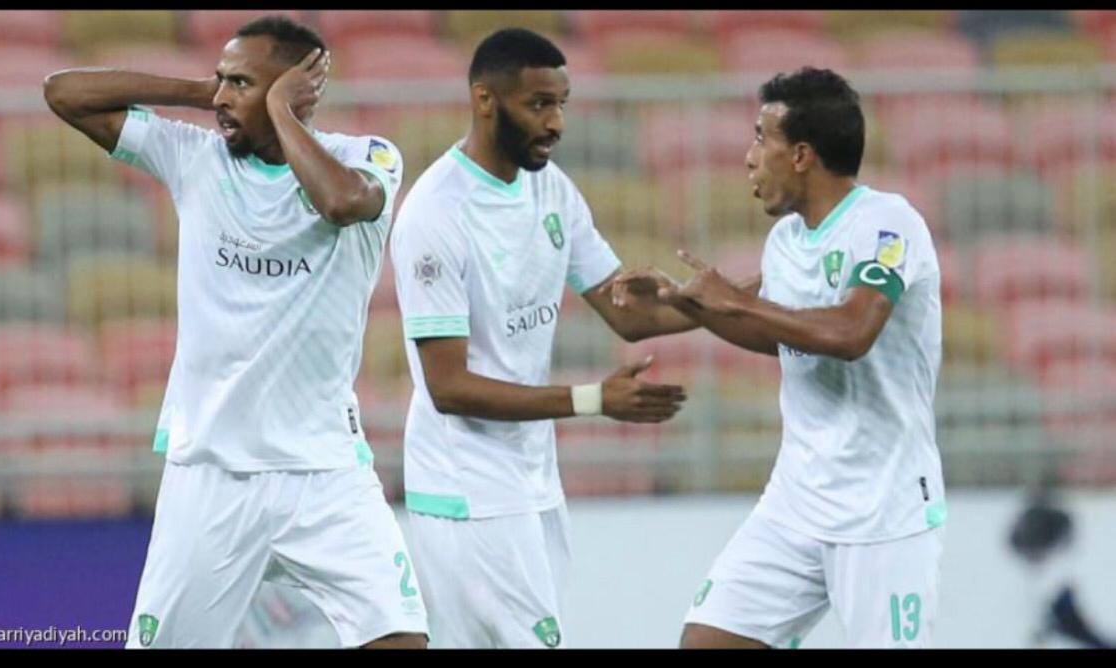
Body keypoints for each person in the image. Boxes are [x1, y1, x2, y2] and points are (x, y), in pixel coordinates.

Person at [44, 15, 427, 649]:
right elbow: (63, 93)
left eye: (243, 82)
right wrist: (207, 91)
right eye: (224, 80)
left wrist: (275, 110)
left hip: (325, 471)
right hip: (211, 471)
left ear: (300, 92)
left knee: (402, 640)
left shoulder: (369, 157)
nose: (225, 97)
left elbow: (340, 204)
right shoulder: (194, 158)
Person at [615, 67, 946, 649]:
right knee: (706, 642)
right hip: (797, 502)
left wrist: (730, 301)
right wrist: (682, 298)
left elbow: (850, 332)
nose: (748, 157)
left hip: (884, 511)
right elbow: (775, 332)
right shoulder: (788, 240)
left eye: (759, 138)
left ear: (800, 155)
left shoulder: (888, 225)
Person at [389, 28, 695, 649]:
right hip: (466, 494)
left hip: (531, 481)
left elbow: (628, 313)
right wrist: (592, 401)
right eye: (538, 105)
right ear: (484, 99)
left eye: (562, 103)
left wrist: (730, 300)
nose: (555, 122)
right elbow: (448, 387)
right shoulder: (435, 213)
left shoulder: (549, 187)